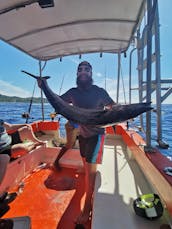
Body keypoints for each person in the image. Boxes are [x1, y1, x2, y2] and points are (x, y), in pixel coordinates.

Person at [37, 61, 115, 225]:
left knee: (91, 173)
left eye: (87, 69)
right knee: (86, 167)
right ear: (77, 74)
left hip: (97, 135)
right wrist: (43, 87)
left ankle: (87, 209)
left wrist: (120, 111)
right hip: (83, 135)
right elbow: (57, 101)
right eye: (80, 70)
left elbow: (112, 106)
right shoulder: (73, 92)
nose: (83, 71)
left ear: (91, 73)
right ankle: (87, 184)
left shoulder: (99, 92)